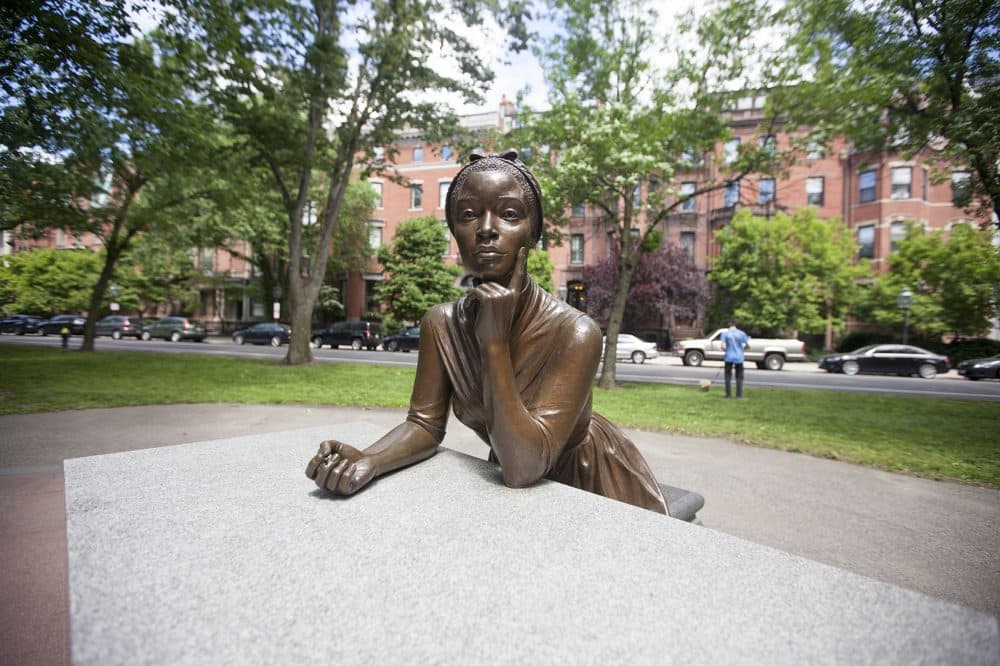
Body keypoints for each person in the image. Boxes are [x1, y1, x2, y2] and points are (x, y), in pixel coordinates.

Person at [306, 151, 668, 514]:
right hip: (511, 463)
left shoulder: (575, 332)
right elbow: (424, 425)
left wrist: (493, 343)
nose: (486, 229)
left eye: (509, 214)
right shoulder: (441, 324)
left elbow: (524, 468)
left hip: (588, 485)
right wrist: (370, 459)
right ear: (455, 232)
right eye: (468, 215)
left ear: (533, 232)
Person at [720, 320, 750, 399]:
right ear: (736, 324)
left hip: (729, 356)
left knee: (727, 376)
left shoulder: (725, 334)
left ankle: (728, 395)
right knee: (739, 376)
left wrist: (726, 350)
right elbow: (748, 345)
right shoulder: (741, 333)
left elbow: (722, 346)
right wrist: (742, 349)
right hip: (739, 357)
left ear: (729, 324)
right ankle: (739, 396)